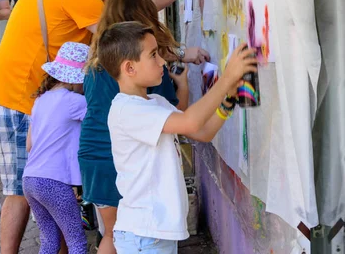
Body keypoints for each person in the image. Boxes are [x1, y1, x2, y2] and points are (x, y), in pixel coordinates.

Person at [0, 0, 127, 253]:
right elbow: (121, 33)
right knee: (20, 192)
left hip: (25, 97)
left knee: (35, 199)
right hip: (20, 99)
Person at [96, 21, 256, 253]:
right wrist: (226, 80)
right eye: (153, 55)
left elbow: (202, 131)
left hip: (153, 233)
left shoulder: (155, 103)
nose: (162, 61)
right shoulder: (127, 110)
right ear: (129, 68)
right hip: (144, 235)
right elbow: (191, 121)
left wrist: (228, 101)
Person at [79, 0, 209, 254]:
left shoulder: (97, 62)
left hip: (94, 156)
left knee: (113, 235)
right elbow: (179, 117)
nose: (159, 60)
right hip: (125, 160)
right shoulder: (146, 76)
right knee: (126, 233)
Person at [23, 42, 90, 254]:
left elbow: (29, 145)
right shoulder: (74, 101)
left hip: (30, 180)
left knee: (49, 241)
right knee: (77, 242)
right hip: (55, 183)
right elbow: (103, 121)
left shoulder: (41, 100)